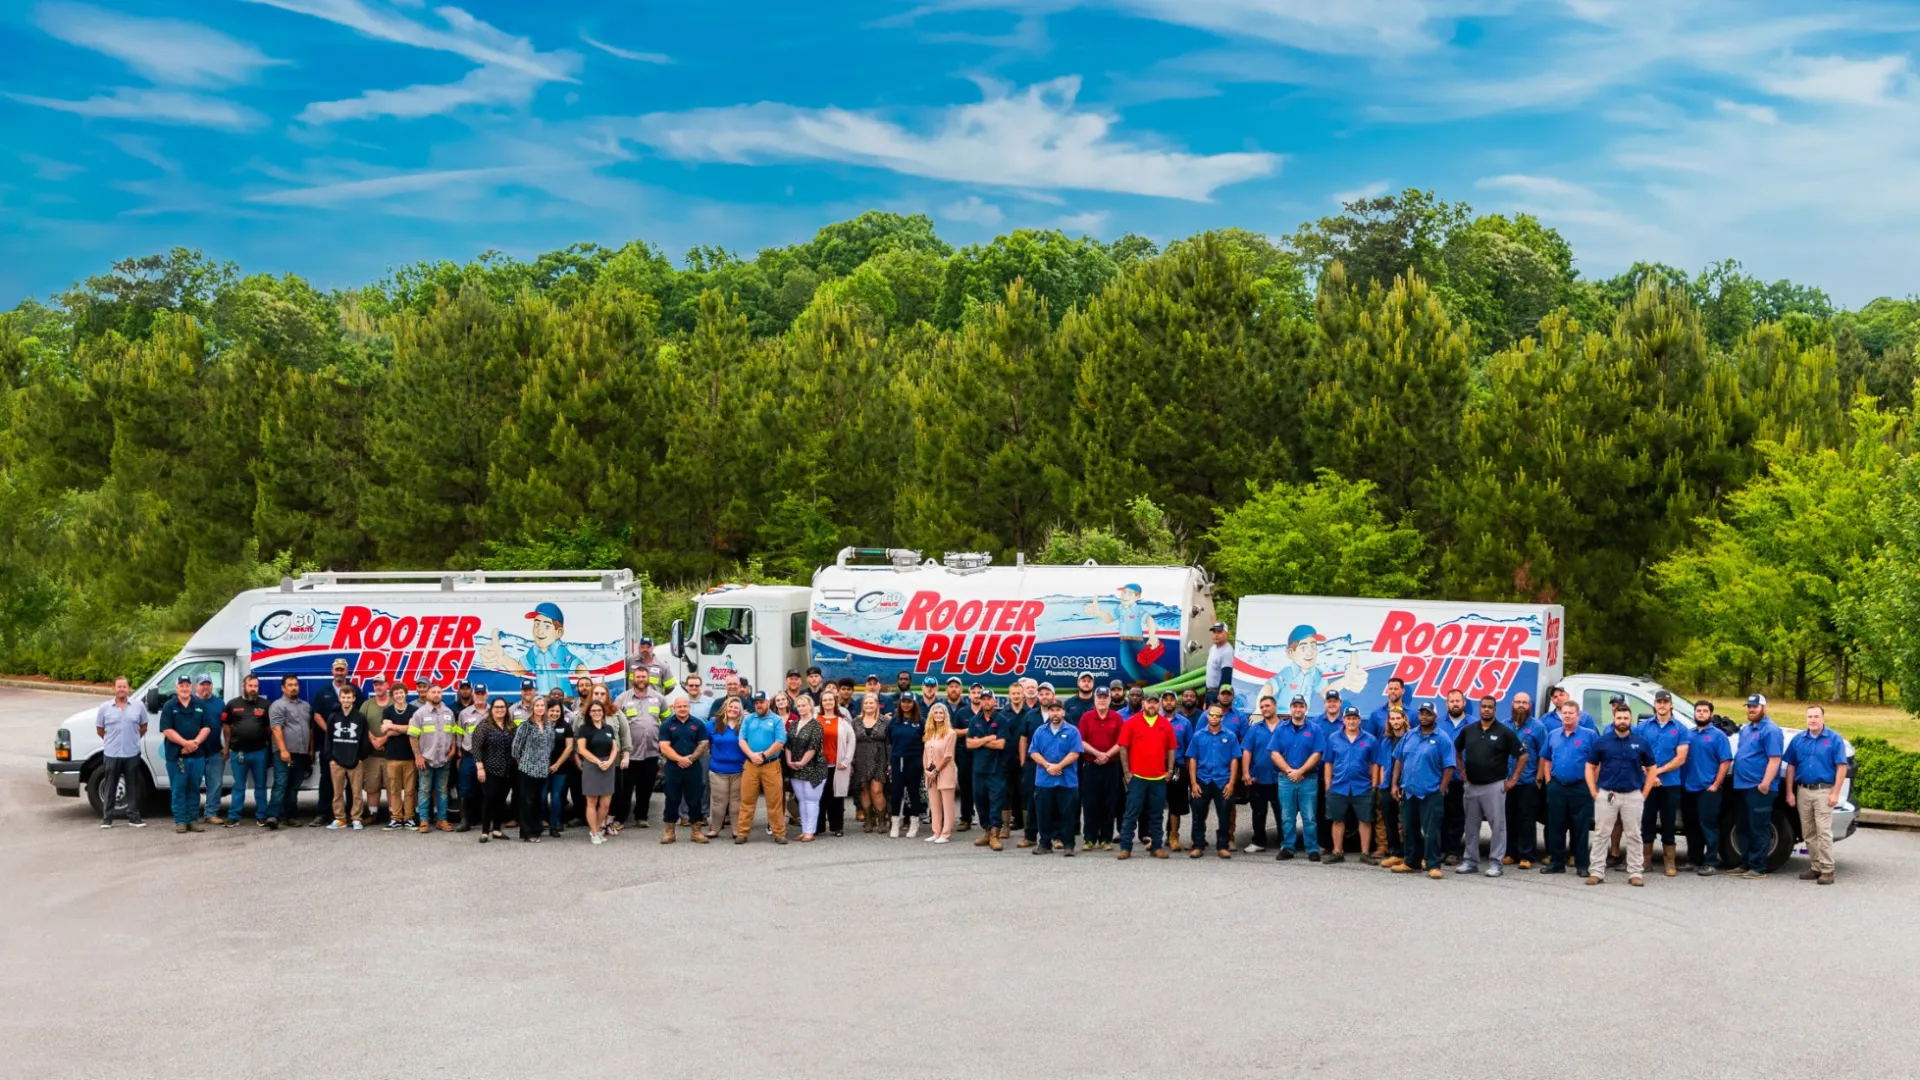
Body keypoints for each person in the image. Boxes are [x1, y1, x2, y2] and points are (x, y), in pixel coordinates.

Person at [1585, 702, 1657, 886]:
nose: (1622, 721)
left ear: (1630, 720)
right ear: (1614, 719)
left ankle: (1635, 873)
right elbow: (1590, 766)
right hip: (1608, 794)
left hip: (1633, 794)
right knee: (1601, 834)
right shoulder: (1602, 741)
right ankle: (1596, 871)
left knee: (1633, 835)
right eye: (1619, 718)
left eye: (1626, 718)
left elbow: (1652, 768)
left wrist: (1644, 794)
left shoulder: (1641, 742)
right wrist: (1593, 791)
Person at [1454, 694, 1524, 877]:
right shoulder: (1469, 730)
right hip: (1471, 786)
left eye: (1490, 707)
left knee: (1498, 826)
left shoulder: (1505, 732)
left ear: (1495, 709)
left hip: (1494, 786)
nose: (1486, 709)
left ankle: (1496, 863)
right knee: (1470, 825)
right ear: (1479, 708)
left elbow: (1523, 755)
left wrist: (1513, 780)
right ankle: (1470, 861)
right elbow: (1456, 750)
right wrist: (1462, 772)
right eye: (1483, 706)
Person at [1388, 703, 1455, 879]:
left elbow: (1449, 767)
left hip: (1431, 793)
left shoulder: (1442, 738)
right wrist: (1395, 784)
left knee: (1431, 831)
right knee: (1410, 829)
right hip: (1408, 792)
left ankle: (1433, 865)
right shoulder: (1409, 735)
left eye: (1428, 714)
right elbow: (1398, 760)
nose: (1424, 716)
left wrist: (1441, 790)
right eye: (1422, 713)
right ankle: (1412, 863)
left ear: (1435, 717)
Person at [1784, 705, 1848, 885]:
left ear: (1823, 718)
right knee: (1808, 832)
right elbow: (1790, 766)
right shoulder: (1799, 739)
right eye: (1809, 717)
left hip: (1824, 791)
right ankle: (1815, 867)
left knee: (1823, 832)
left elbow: (1841, 767)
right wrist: (1790, 791)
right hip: (1803, 791)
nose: (1812, 720)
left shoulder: (1834, 739)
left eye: (1816, 717)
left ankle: (1828, 870)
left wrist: (1835, 792)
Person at [1633, 689, 1691, 877]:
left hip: (1671, 783)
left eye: (1666, 702)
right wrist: (1649, 773)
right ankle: (1646, 861)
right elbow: (1637, 754)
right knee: (1646, 821)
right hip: (1648, 784)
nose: (1662, 705)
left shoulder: (1680, 729)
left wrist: (1656, 771)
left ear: (1671, 705)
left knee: (1669, 822)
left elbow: (1681, 758)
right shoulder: (1643, 727)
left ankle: (1669, 863)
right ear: (1655, 704)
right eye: (1659, 702)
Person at [1115, 690, 1178, 860]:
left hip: (1158, 778)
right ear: (1143, 703)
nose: (1152, 705)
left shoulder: (1166, 724)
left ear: (1159, 704)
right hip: (1138, 777)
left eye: (1155, 702)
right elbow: (1122, 747)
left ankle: (1156, 847)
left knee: (1156, 814)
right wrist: (1127, 773)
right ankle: (1126, 847)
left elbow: (1171, 748)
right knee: (1131, 813)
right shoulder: (1131, 722)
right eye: (1149, 702)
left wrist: (1170, 771)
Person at [1538, 700, 1598, 876]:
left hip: (1581, 787)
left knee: (1580, 828)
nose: (1567, 716)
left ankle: (1581, 865)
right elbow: (1546, 758)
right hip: (1557, 787)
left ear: (1578, 715)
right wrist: (1549, 780)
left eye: (1571, 713)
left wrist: (1592, 783)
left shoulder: (1590, 735)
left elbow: (1597, 762)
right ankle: (1557, 863)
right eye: (1564, 713)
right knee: (1556, 826)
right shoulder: (1553, 734)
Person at [1730, 694, 1784, 879]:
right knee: (1743, 826)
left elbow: (1775, 759)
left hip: (1759, 787)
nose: (1751, 710)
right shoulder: (1746, 729)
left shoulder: (1771, 730)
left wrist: (1765, 783)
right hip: (1742, 786)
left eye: (1755, 706)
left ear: (1764, 708)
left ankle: (1758, 867)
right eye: (1749, 707)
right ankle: (1744, 863)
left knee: (1758, 827)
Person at [1322, 706, 1379, 864]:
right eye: (1349, 718)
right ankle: (1337, 851)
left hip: (1363, 787)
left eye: (1355, 718)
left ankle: (1365, 853)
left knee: (1365, 821)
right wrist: (1328, 785)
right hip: (1338, 786)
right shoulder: (1333, 738)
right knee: (1337, 820)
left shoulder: (1370, 740)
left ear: (1360, 720)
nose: (1352, 721)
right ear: (1344, 720)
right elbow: (1328, 763)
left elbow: (1374, 763)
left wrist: (1374, 784)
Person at [1681, 699, 1732, 876]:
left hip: (1708, 788)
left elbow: (1725, 762)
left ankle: (1711, 861)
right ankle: (1694, 860)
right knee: (1691, 826)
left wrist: (1716, 785)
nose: (1701, 713)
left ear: (1711, 714)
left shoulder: (1718, 736)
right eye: (1698, 711)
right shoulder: (1688, 734)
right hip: (1689, 788)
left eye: (1704, 711)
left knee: (1708, 825)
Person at [1270, 696, 1323, 861]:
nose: (1297, 709)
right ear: (1290, 708)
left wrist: (1300, 771)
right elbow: (1274, 752)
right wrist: (1289, 771)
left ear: (1305, 708)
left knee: (1310, 817)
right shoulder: (1281, 728)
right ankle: (1288, 847)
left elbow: (1317, 753)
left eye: (1301, 706)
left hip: (1308, 779)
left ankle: (1312, 848)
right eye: (1295, 706)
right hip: (1286, 779)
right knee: (1287, 816)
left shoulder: (1315, 729)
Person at [1028, 699, 1083, 855]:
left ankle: (1068, 845)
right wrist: (1047, 766)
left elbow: (1075, 752)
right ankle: (1044, 844)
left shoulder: (1072, 731)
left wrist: (1059, 766)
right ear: (1049, 712)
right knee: (1044, 813)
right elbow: (1033, 752)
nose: (1055, 713)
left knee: (1067, 814)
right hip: (1044, 780)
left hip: (1067, 781)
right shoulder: (1040, 731)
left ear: (1063, 712)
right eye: (1052, 710)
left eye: (1058, 710)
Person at [159, 675, 212, 833]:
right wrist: (185, 744)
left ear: (191, 687)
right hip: (177, 756)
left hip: (197, 755)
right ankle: (180, 821)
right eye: (181, 685)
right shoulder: (169, 706)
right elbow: (167, 730)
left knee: (194, 789)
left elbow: (207, 727)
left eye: (187, 685)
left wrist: (194, 743)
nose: (184, 688)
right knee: (178, 789)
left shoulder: (200, 705)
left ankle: (193, 820)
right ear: (176, 688)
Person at [613, 670, 665, 831]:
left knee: (646, 787)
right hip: (630, 754)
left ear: (648, 678)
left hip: (651, 752)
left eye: (644, 676)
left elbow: (668, 719)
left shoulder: (659, 698)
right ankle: (620, 819)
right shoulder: (623, 698)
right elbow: (614, 722)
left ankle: (641, 817)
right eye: (638, 677)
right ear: (632, 679)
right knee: (625, 789)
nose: (641, 679)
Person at [735, 690, 789, 844]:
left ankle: (779, 832)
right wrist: (752, 755)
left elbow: (780, 741)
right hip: (751, 764)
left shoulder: (777, 720)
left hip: (771, 765)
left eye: (761, 702)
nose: (758, 705)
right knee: (747, 800)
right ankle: (742, 833)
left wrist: (764, 755)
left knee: (774, 801)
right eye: (756, 702)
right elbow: (742, 740)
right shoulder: (748, 719)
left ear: (767, 702)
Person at [1186, 706, 1240, 859]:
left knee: (1224, 815)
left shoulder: (1230, 736)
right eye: (1212, 715)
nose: (1215, 718)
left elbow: (1234, 760)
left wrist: (1231, 783)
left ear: (1222, 718)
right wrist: (1194, 783)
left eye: (1218, 715)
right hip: (1202, 779)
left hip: (1222, 780)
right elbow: (1193, 759)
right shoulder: (1198, 736)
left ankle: (1222, 846)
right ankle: (1198, 845)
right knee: (1198, 814)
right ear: (1207, 716)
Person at [221, 674, 274, 828]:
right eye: (250, 686)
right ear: (243, 686)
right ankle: (234, 816)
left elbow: (269, 727)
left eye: (256, 686)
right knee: (238, 786)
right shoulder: (232, 704)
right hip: (238, 752)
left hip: (260, 752)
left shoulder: (265, 705)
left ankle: (261, 815)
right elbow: (226, 726)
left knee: (260, 786)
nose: (253, 689)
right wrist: (226, 747)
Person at [659, 693, 712, 844]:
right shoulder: (667, 725)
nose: (682, 709)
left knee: (695, 798)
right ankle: (670, 832)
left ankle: (696, 832)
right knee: (672, 798)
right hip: (672, 767)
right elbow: (664, 747)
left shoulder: (698, 724)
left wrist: (690, 759)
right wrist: (680, 759)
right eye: (679, 706)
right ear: (674, 708)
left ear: (689, 707)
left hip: (694, 767)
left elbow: (703, 744)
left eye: (685, 706)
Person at [1076, 686, 1124, 851]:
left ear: (1110, 699)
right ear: (1094, 699)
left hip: (1111, 767)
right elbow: (1081, 741)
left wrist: (1107, 755)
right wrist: (1098, 754)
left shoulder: (1116, 718)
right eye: (1099, 697)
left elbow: (1121, 741)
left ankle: (1105, 839)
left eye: (1105, 697)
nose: (1102, 700)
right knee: (1090, 803)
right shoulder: (1086, 717)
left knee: (1109, 803)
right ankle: (1089, 838)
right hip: (1091, 766)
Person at [1502, 692, 1544, 868]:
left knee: (1527, 819)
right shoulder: (1504, 725)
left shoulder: (1538, 727)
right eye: (1517, 702)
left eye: (1524, 703)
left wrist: (1539, 777)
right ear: (1512, 704)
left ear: (1530, 706)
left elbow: (1544, 754)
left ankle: (1526, 855)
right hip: (1507, 781)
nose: (1520, 705)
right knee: (1508, 818)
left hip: (1528, 781)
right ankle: (1510, 853)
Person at [966, 692, 1012, 851]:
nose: (986, 701)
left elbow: (1000, 744)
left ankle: (995, 835)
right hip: (978, 769)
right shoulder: (975, 720)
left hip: (996, 770)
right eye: (983, 699)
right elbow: (969, 744)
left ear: (994, 700)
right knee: (980, 801)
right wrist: (987, 739)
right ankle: (986, 831)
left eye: (989, 699)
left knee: (995, 802)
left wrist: (979, 741)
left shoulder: (1001, 720)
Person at [409, 682, 457, 833]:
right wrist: (418, 756)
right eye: (433, 692)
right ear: (427, 695)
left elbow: (453, 732)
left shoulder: (448, 712)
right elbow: (412, 736)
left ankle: (442, 820)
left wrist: (454, 749)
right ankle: (424, 821)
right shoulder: (420, 713)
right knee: (424, 790)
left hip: (444, 759)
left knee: (442, 790)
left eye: (439, 692)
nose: (436, 695)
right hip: (426, 759)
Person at [269, 674, 316, 827]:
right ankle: (273, 816)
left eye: (295, 684)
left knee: (294, 786)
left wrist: (311, 749)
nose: (293, 687)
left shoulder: (306, 706)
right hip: (285, 753)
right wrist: (283, 750)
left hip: (301, 752)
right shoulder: (278, 705)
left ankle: (290, 816)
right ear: (283, 688)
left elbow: (310, 729)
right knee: (281, 784)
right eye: (290, 685)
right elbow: (276, 729)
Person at [323, 684, 372, 831]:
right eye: (343, 697)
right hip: (336, 761)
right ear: (340, 698)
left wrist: (360, 758)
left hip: (355, 761)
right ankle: (340, 819)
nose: (346, 700)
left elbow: (364, 740)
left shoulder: (360, 717)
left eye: (349, 697)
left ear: (354, 698)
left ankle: (356, 818)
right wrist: (330, 757)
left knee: (356, 793)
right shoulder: (333, 717)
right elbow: (328, 739)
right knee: (337, 793)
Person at [509, 699, 558, 843]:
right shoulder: (525, 726)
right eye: (537, 705)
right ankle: (527, 832)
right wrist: (524, 762)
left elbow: (550, 746)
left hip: (542, 770)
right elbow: (515, 749)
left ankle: (536, 829)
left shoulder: (549, 726)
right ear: (532, 708)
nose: (540, 708)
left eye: (542, 705)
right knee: (527, 801)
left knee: (538, 801)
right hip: (527, 769)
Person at [1240, 695, 1283, 854]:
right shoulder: (1255, 729)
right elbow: (1247, 751)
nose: (1265, 709)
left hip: (1280, 779)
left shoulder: (1285, 728)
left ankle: (1284, 842)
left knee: (1282, 813)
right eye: (1262, 706)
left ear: (1275, 707)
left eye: (1267, 706)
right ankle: (1258, 842)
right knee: (1258, 812)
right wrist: (1245, 773)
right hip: (1258, 778)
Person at [576, 701, 620, 844]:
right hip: (592, 766)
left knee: (606, 803)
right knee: (592, 801)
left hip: (608, 766)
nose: (596, 713)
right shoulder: (584, 729)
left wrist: (609, 761)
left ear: (603, 712)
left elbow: (614, 748)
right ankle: (594, 833)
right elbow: (582, 750)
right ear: (589, 713)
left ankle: (597, 828)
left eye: (599, 710)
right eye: (593, 710)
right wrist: (597, 761)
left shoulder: (609, 728)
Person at [473, 698, 516, 842]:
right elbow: (476, 747)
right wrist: (480, 768)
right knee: (489, 799)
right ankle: (485, 832)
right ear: (492, 710)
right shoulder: (484, 726)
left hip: (508, 771)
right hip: (490, 770)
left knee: (501, 800)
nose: (500, 710)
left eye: (502, 707)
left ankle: (497, 830)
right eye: (497, 707)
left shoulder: (511, 726)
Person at [378, 681, 420, 831]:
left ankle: (409, 818)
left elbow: (412, 729)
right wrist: (403, 728)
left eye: (401, 692)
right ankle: (396, 818)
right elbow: (386, 731)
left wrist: (393, 726)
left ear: (406, 693)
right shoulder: (388, 711)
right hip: (393, 757)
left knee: (410, 790)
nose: (399, 695)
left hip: (410, 756)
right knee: (394, 790)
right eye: (396, 693)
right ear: (393, 695)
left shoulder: (413, 710)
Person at [1371, 707, 1409, 867]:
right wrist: (1380, 785)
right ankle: (1395, 853)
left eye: (1398, 718)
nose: (1395, 722)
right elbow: (1380, 765)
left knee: (1407, 822)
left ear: (1404, 720)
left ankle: (1410, 853)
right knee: (1390, 821)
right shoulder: (1386, 741)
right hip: (1387, 786)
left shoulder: (1411, 738)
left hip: (1406, 786)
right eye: (1392, 719)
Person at [787, 700, 829, 841]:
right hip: (795, 768)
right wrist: (789, 761)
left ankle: (810, 831)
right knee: (802, 800)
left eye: (804, 705)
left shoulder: (817, 725)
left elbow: (813, 747)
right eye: (798, 706)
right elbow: (788, 745)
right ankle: (804, 830)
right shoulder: (793, 724)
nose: (801, 708)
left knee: (811, 800)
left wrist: (802, 762)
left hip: (814, 768)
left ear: (810, 706)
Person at [706, 697, 746, 839]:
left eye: (736, 707)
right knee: (719, 802)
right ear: (725, 708)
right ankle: (715, 829)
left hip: (740, 770)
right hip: (718, 770)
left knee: (736, 802)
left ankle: (736, 829)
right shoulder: (713, 725)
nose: (733, 710)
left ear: (740, 710)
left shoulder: (744, 725)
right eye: (730, 707)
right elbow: (706, 742)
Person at [852, 691, 890, 834]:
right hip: (860, 759)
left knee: (877, 790)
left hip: (880, 758)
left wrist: (890, 761)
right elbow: (851, 742)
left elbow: (889, 742)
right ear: (862, 705)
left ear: (876, 705)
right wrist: (851, 762)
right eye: (866, 703)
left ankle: (882, 820)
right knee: (864, 790)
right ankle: (868, 820)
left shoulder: (884, 721)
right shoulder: (855, 721)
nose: (868, 705)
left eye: (871, 703)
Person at [887, 696, 926, 838]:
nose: (906, 704)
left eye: (909, 702)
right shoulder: (894, 721)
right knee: (896, 792)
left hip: (914, 761)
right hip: (898, 760)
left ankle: (914, 822)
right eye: (903, 702)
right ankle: (895, 822)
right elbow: (890, 739)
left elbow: (925, 741)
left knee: (913, 792)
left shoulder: (921, 722)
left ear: (914, 703)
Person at [454, 684, 491, 833]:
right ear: (473, 695)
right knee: (465, 788)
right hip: (468, 755)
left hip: (488, 756)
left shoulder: (493, 711)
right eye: (478, 693)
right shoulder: (464, 714)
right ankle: (465, 820)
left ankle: (486, 820)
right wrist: (458, 753)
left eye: (483, 693)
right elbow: (459, 734)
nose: (480, 696)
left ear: (487, 695)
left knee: (488, 789)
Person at [820, 687, 855, 837]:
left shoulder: (843, 721)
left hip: (837, 764)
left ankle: (837, 827)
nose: (828, 702)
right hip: (819, 766)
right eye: (825, 700)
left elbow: (851, 741)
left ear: (835, 702)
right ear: (821, 703)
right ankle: (818, 827)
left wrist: (846, 760)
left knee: (836, 797)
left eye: (830, 700)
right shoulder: (816, 719)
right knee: (820, 797)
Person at [192, 674, 225, 825]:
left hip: (214, 750)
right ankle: (191, 814)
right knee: (192, 784)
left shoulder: (219, 704)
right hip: (194, 751)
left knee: (216, 784)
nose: (205, 687)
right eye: (202, 684)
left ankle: (211, 813)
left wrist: (227, 747)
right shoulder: (189, 702)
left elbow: (227, 727)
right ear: (196, 686)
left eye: (208, 684)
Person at [541, 698, 576, 838]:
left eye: (557, 711)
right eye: (552, 710)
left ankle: (554, 824)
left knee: (556, 797)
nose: (555, 713)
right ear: (546, 711)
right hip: (542, 768)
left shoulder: (565, 726)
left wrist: (557, 764)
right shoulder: (540, 724)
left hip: (560, 768)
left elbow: (569, 748)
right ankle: (542, 821)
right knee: (542, 797)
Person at [1162, 691, 1192, 850]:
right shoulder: (1155, 721)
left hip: (1178, 768)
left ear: (1176, 702)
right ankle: (1155, 836)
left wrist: (1188, 772)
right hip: (1157, 767)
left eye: (1171, 700)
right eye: (1165, 700)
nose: (1168, 703)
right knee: (1156, 803)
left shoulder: (1185, 723)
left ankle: (1173, 835)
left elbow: (1190, 749)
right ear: (1161, 703)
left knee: (1176, 803)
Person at [945, 679, 976, 831]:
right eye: (951, 687)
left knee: (974, 785)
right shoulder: (946, 707)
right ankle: (962, 817)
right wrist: (969, 731)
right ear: (947, 690)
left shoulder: (968, 707)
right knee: (956, 785)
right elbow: (954, 731)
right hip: (954, 750)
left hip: (975, 752)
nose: (954, 689)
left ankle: (972, 814)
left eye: (957, 687)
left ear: (961, 690)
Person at [1204, 621, 1234, 703]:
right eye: (1214, 632)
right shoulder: (1212, 648)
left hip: (1218, 694)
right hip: (1209, 692)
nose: (1216, 635)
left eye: (1219, 632)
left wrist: (1220, 698)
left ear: (1226, 634)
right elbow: (1209, 674)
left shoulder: (1227, 652)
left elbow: (1226, 677)